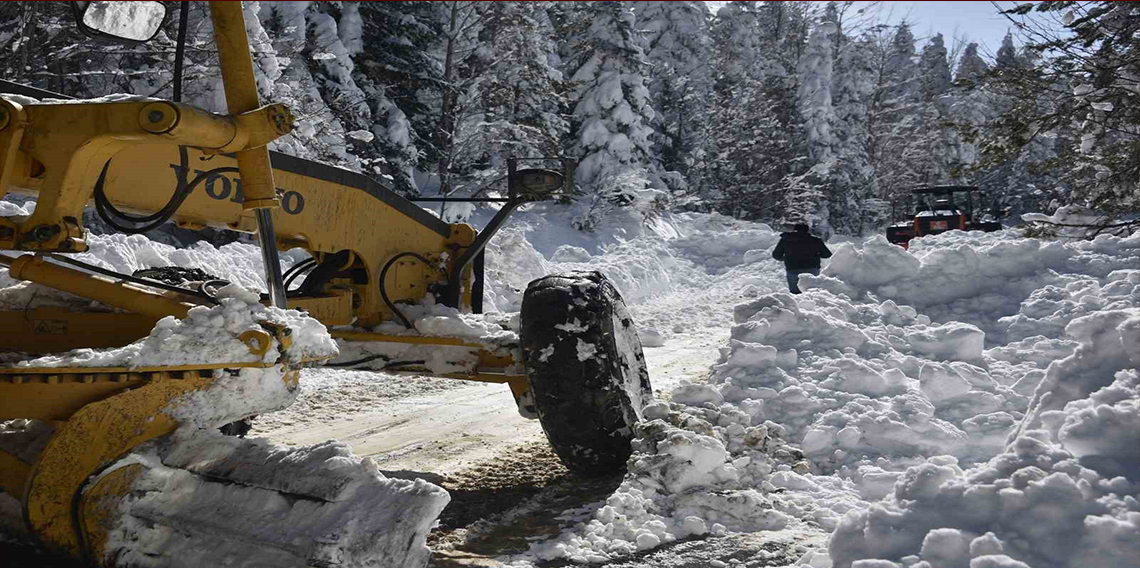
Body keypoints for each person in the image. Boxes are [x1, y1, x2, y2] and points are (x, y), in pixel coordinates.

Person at [772, 223, 832, 294]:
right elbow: (827, 254)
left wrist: (786, 258)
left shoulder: (785, 240)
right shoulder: (815, 240)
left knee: (795, 293)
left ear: (794, 230)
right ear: (807, 230)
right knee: (812, 292)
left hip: (793, 268)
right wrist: (816, 255)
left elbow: (776, 255)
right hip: (812, 268)